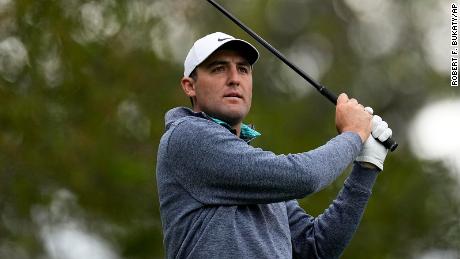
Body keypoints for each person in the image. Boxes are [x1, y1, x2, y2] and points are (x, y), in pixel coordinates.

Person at [156, 32, 392, 259]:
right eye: (218, 69)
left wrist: (367, 166)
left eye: (243, 69)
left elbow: (316, 248)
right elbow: (305, 176)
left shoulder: (253, 168)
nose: (234, 79)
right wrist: (352, 135)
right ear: (190, 86)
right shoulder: (187, 136)